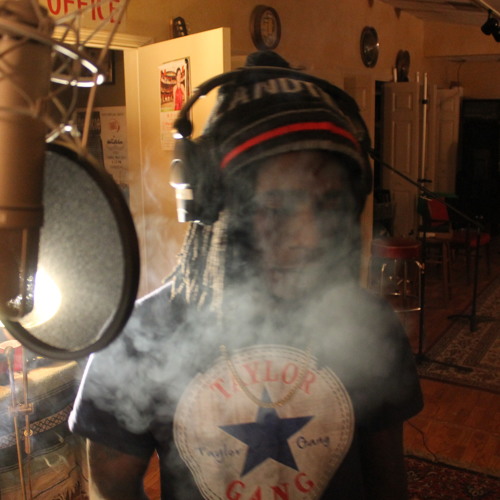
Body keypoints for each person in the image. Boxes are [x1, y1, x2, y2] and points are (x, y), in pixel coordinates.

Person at [69, 51, 423, 499]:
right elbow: (111, 486)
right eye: (275, 207)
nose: (309, 235)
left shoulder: (368, 325)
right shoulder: (139, 338)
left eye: (329, 204)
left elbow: (387, 480)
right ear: (214, 209)